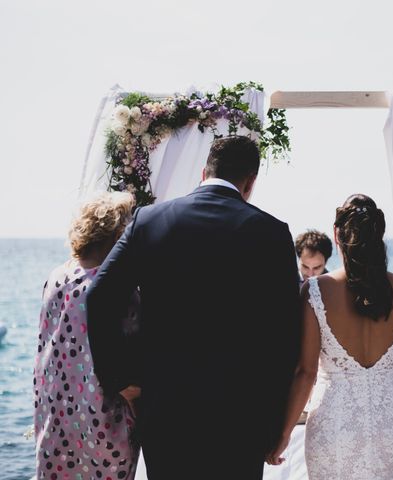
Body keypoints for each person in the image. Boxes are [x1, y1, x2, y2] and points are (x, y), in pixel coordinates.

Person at [86, 136, 302, 479]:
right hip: (241, 417)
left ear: (204, 172)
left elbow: (99, 297)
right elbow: (287, 336)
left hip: (165, 409)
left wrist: (119, 378)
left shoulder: (148, 221)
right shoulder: (272, 233)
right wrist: (273, 419)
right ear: (250, 182)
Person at [266, 194, 393, 479]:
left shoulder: (316, 291)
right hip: (392, 425)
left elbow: (306, 372)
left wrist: (284, 435)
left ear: (337, 237)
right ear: (379, 235)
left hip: (334, 426)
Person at [34, 191, 140, 479]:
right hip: (102, 419)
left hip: (55, 412)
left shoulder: (56, 277)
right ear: (118, 234)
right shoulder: (116, 288)